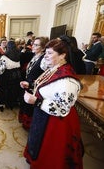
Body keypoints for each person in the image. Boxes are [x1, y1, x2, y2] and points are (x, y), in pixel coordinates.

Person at [23, 38, 84, 168]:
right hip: (44, 116)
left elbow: (62, 108)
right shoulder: (56, 68)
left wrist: (36, 101)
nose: (45, 56)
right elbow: (48, 86)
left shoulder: (67, 80)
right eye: (46, 52)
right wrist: (31, 84)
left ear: (62, 55)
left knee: (52, 156)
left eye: (50, 53)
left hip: (56, 123)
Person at [19, 36, 48, 130]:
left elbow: (46, 77)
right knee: (26, 105)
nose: (33, 46)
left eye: (36, 45)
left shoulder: (44, 60)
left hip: (35, 87)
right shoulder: (35, 56)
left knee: (31, 108)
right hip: (29, 85)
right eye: (33, 44)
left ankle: (29, 125)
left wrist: (33, 83)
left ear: (43, 48)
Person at [0, 40, 22, 111]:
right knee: (13, 90)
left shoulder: (4, 57)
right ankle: (11, 103)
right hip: (17, 76)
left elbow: (0, 70)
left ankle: (1, 104)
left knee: (3, 89)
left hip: (6, 75)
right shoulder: (19, 55)